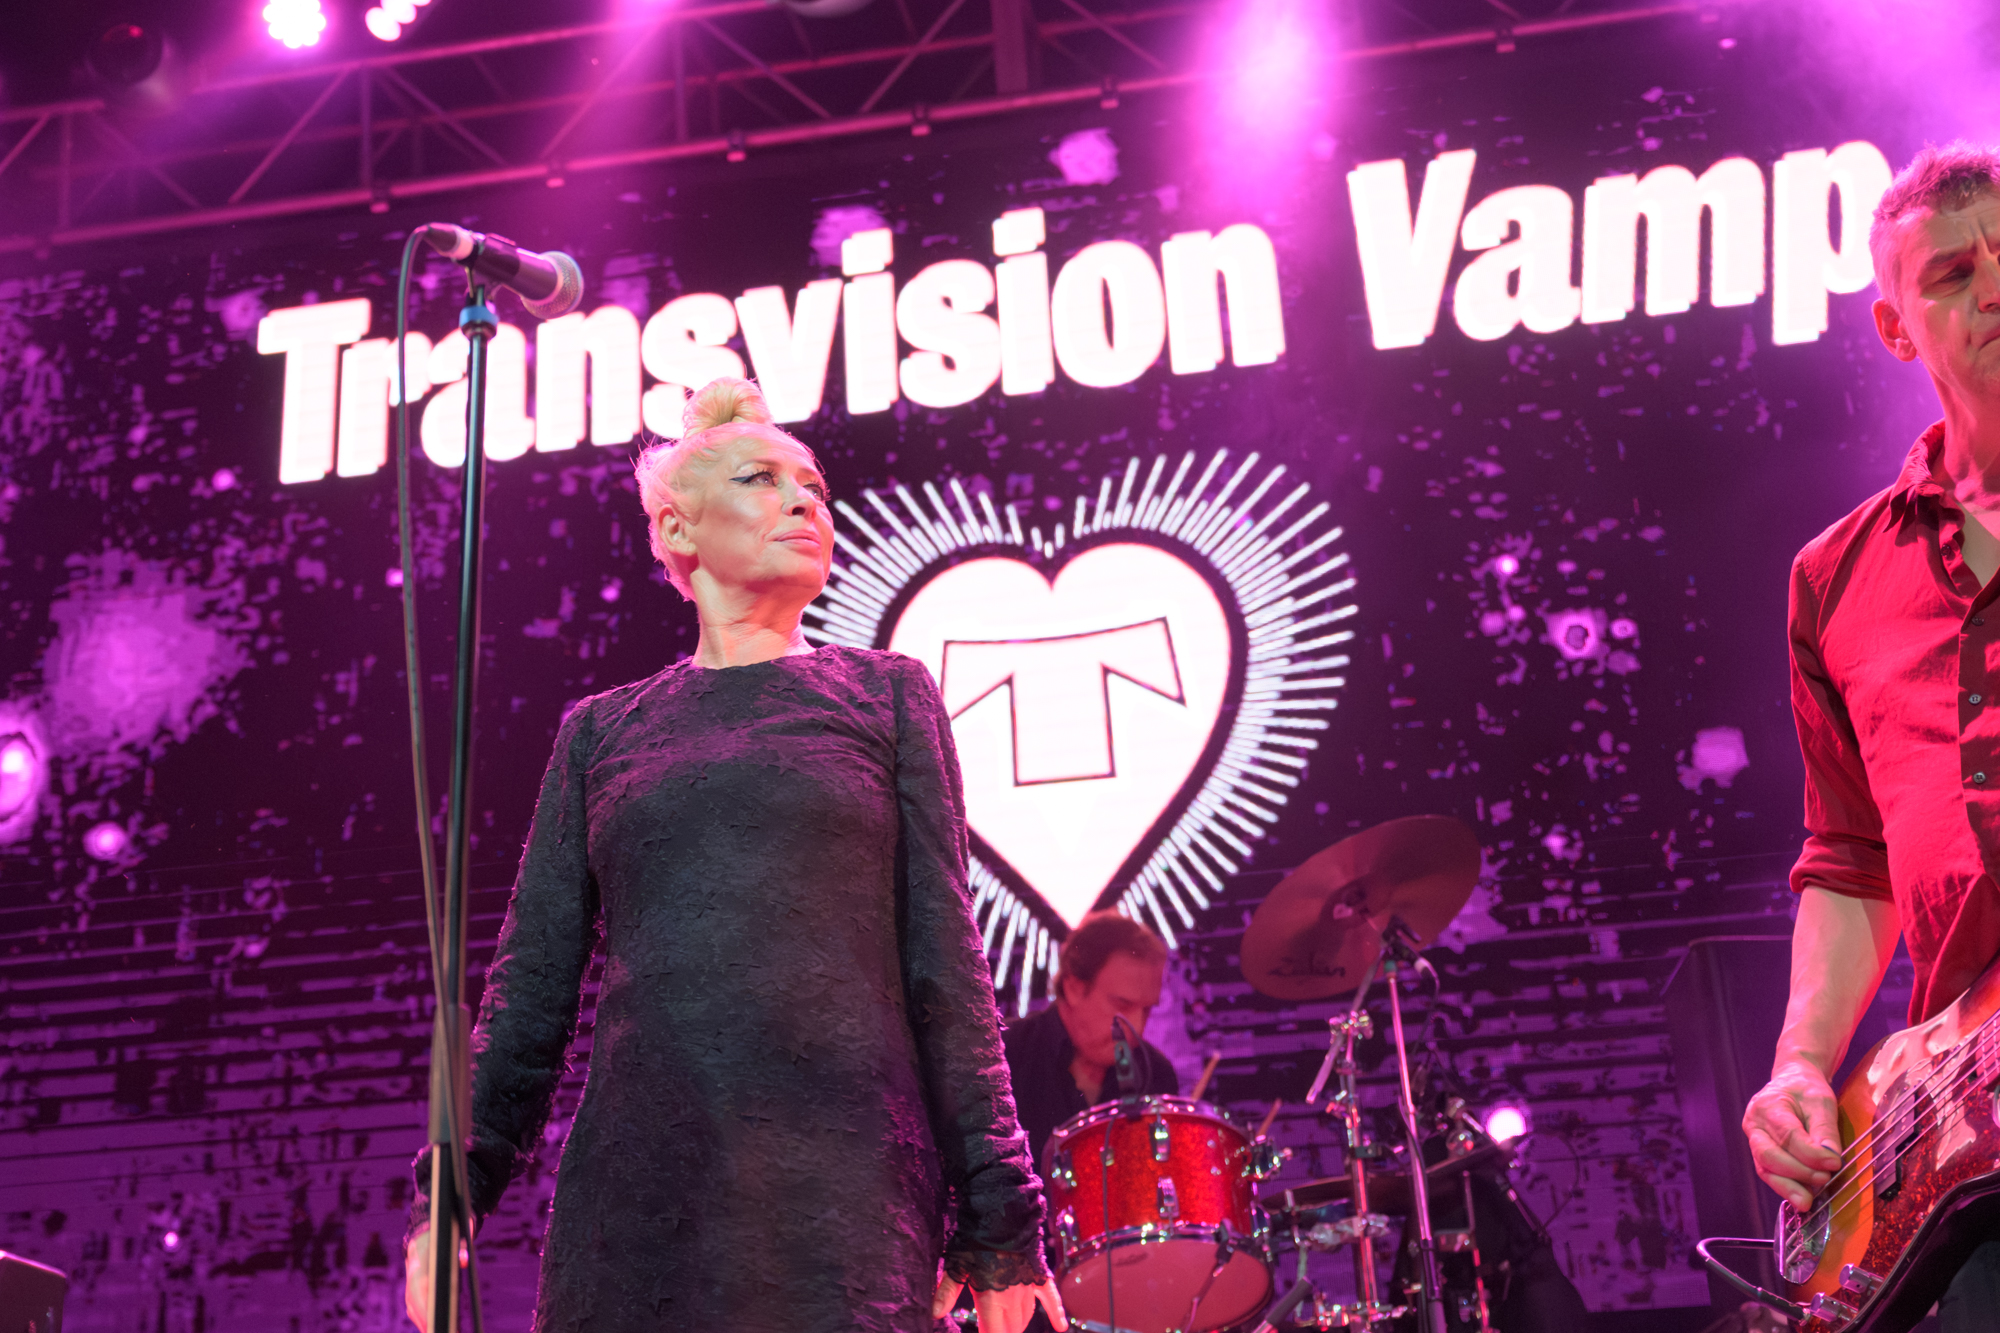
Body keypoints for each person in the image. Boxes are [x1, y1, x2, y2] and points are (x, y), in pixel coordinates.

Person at [401, 378, 1066, 1333]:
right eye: (763, 479)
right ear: (678, 530)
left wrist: (1001, 1218)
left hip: (843, 1187)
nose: (805, 502)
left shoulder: (887, 695)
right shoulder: (602, 731)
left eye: (816, 488)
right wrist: (450, 1192)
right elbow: (531, 986)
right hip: (640, 1196)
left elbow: (947, 966)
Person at [1743, 142, 2000, 1327]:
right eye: (1950, 273)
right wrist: (1800, 1064)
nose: (1992, 287)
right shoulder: (1833, 577)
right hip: (1969, 1157)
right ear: (1895, 328)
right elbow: (1851, 861)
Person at [1002, 911, 1178, 1170]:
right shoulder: (1005, 1056)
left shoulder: (1157, 1074)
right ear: (1074, 987)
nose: (1137, 1027)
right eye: (1122, 1005)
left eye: (1147, 1009)